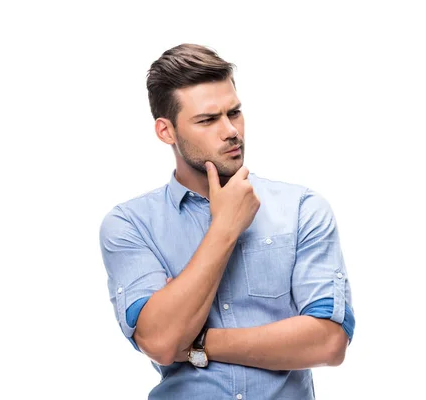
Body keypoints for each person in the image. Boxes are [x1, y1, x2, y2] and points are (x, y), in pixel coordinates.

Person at [99, 43, 355, 399]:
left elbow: (329, 343)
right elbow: (160, 341)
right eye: (207, 120)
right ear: (166, 131)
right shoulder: (129, 225)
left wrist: (197, 341)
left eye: (234, 113)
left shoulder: (302, 208)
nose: (231, 130)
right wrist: (225, 227)